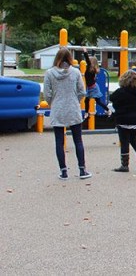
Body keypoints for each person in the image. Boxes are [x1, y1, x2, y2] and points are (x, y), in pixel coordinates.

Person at [43, 47, 92, 180]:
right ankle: (82, 170)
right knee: (78, 141)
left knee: (59, 141)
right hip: (73, 108)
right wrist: (75, 100)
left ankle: (64, 171)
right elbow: (82, 91)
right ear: (70, 59)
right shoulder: (75, 72)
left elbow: (47, 94)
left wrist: (52, 102)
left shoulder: (49, 73)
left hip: (58, 109)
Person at [109, 70, 136, 172]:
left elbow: (111, 98)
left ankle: (124, 165)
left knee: (124, 142)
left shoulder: (121, 91)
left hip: (123, 120)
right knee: (135, 141)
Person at [82, 47, 111, 117]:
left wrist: (85, 52)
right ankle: (86, 112)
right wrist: (93, 52)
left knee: (97, 101)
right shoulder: (92, 69)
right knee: (87, 100)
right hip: (91, 87)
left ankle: (108, 110)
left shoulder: (90, 69)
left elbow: (88, 60)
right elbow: (92, 60)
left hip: (93, 88)